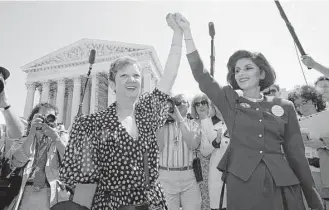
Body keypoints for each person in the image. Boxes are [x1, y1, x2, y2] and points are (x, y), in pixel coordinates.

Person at [173, 13, 324, 210]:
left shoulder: (285, 106)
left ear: (261, 73)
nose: (241, 73)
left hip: (284, 185)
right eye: (237, 70)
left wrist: (313, 200)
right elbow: (202, 77)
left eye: (247, 68)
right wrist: (187, 34)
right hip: (244, 183)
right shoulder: (229, 99)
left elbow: (296, 154)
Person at [59, 13, 183, 210]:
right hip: (112, 204)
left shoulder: (148, 115)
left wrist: (178, 34)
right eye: (124, 75)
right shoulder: (90, 124)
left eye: (136, 75)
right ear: (112, 85)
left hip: (153, 203)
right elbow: (85, 183)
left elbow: (169, 76)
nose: (131, 80)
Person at [5, 102, 70, 210]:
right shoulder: (24, 137)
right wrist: (31, 134)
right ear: (32, 119)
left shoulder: (61, 137)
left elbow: (70, 161)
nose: (46, 121)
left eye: (50, 117)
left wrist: (56, 138)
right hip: (26, 192)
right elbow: (17, 161)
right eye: (41, 117)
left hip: (52, 194)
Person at [156, 94, 202, 210]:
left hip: (189, 177)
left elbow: (193, 144)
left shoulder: (193, 124)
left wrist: (180, 120)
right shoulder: (160, 125)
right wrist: (161, 118)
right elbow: (158, 147)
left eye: (183, 102)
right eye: (176, 103)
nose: (179, 106)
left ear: (188, 105)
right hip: (166, 177)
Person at [190, 94, 228, 210]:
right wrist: (215, 142)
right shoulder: (206, 123)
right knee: (216, 204)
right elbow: (204, 151)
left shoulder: (234, 120)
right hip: (215, 170)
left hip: (236, 171)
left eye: (203, 103)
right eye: (197, 104)